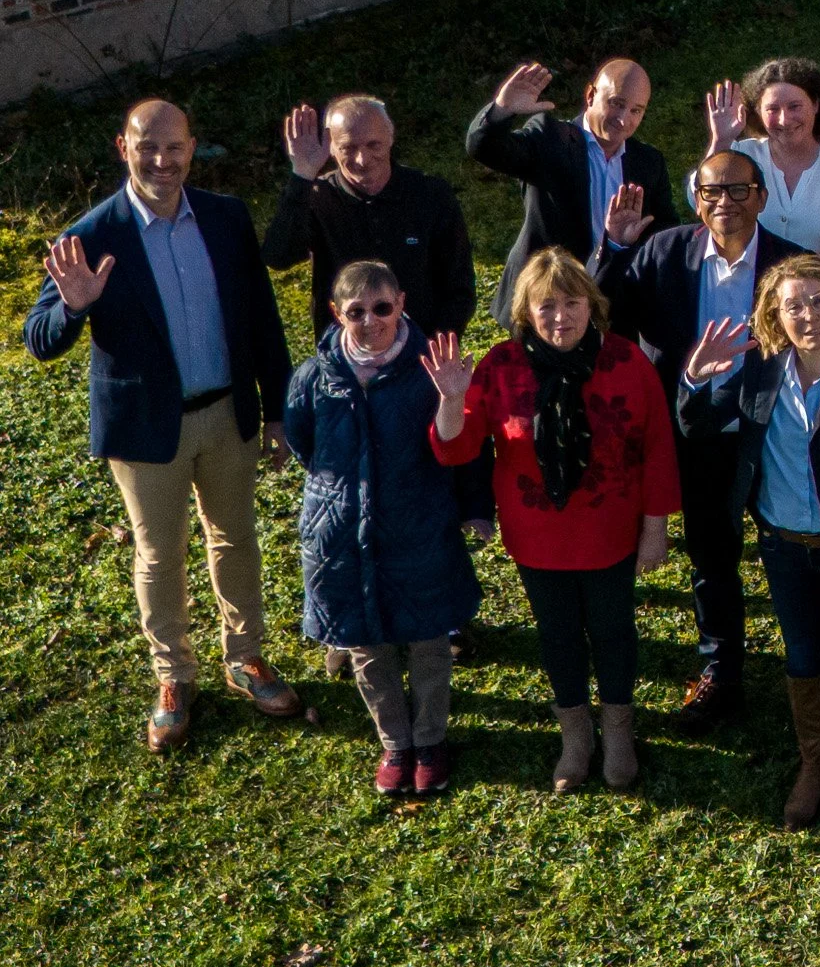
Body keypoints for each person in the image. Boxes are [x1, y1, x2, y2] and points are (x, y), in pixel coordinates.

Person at [24, 98, 299, 753]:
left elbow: (262, 319)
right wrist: (72, 308)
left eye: (174, 147)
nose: (162, 160)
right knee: (159, 555)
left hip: (226, 413)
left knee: (235, 538)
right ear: (124, 147)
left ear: (192, 146)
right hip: (148, 433)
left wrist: (280, 409)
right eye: (148, 147)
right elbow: (38, 339)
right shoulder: (90, 235)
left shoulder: (227, 219)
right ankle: (174, 677)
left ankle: (247, 658)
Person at [424, 248, 678, 792]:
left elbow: (657, 449)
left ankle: (619, 732)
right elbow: (457, 447)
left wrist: (655, 528)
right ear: (526, 312)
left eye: (571, 303)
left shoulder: (628, 363)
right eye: (546, 307)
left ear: (592, 305)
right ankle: (576, 737)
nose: (560, 317)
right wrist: (450, 399)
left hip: (610, 531)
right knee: (558, 636)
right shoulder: (501, 366)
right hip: (537, 536)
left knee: (613, 633)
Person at [678, 254, 820, 832]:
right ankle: (813, 764)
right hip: (782, 548)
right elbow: (697, 424)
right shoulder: (761, 373)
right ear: (776, 316)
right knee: (802, 655)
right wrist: (696, 378)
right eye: (793, 305)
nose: (808, 315)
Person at [593, 151, 802, 731]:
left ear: (762, 198)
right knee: (712, 556)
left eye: (739, 191)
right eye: (712, 192)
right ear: (695, 199)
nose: (724, 203)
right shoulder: (664, 251)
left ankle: (817, 670)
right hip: (690, 426)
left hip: (772, 432)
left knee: (793, 551)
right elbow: (603, 314)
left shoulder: (794, 265)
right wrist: (612, 247)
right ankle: (722, 673)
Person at [283, 261, 481, 796]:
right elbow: (306, 442)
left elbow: (454, 447)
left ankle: (431, 740)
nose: (370, 321)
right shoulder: (313, 376)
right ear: (335, 313)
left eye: (382, 308)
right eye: (356, 312)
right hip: (341, 533)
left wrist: (452, 398)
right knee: (365, 644)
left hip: (418, 524)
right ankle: (395, 743)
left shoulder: (429, 368)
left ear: (402, 302)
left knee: (428, 638)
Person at [466, 59, 678, 327]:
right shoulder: (549, 138)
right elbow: (484, 148)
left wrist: (626, 245)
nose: (624, 120)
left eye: (637, 111)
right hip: (544, 303)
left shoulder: (647, 162)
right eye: (617, 103)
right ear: (591, 95)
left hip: (611, 305)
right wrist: (501, 111)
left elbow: (664, 230)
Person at [697, 59, 820, 354]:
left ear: (816, 105)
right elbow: (696, 196)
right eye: (772, 109)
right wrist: (720, 140)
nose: (784, 119)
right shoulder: (741, 155)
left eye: (795, 107)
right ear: (758, 113)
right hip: (765, 312)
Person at [264, 94, 477, 339]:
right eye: (348, 148)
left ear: (391, 137)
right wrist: (302, 175)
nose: (362, 160)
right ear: (331, 147)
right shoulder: (317, 197)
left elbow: (459, 287)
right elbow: (279, 257)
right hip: (345, 356)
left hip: (421, 351)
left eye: (373, 145)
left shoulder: (429, 195)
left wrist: (434, 347)